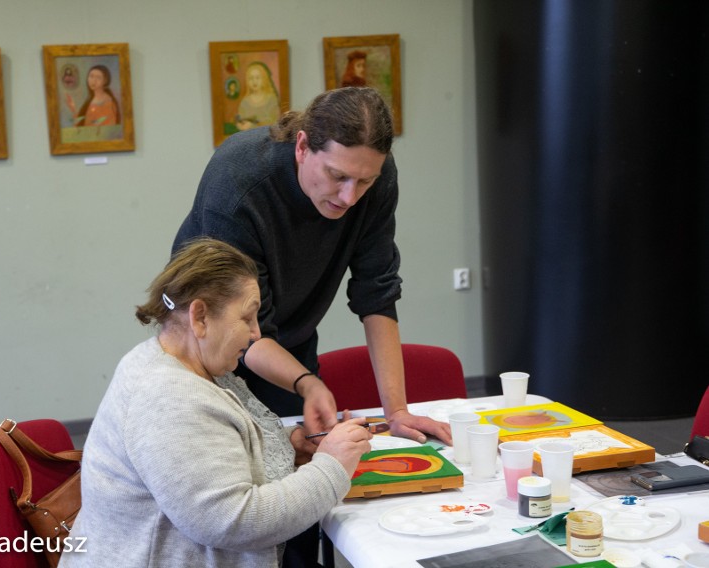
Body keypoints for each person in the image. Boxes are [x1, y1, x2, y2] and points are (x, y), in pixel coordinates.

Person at [173, 87, 451, 566]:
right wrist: (307, 382)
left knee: (300, 492)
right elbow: (243, 330)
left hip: (289, 340)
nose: (350, 196)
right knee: (232, 504)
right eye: (337, 176)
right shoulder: (240, 181)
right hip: (209, 347)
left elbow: (377, 293)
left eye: (364, 181)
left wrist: (397, 410)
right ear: (303, 147)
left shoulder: (372, 179)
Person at [59, 238, 371, 567]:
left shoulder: (177, 364)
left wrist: (289, 447)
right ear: (200, 317)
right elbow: (235, 522)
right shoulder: (168, 399)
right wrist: (332, 466)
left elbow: (211, 457)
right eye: (247, 318)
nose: (255, 334)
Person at [235, 61, 280, 131]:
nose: (254, 81)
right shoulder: (244, 102)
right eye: (251, 78)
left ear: (264, 79)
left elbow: (276, 123)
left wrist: (253, 125)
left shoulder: (271, 100)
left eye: (257, 78)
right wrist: (240, 125)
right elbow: (241, 121)